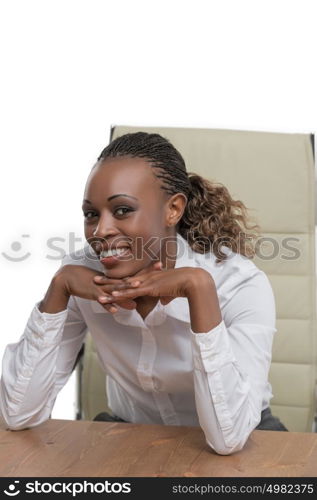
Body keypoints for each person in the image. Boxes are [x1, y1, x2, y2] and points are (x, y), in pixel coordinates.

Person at [0, 131, 287, 455]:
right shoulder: (79, 277)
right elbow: (17, 413)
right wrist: (57, 290)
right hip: (130, 433)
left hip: (243, 433)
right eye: (91, 214)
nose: (100, 230)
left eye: (122, 210)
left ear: (173, 209)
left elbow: (228, 438)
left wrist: (199, 290)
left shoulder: (237, 284)